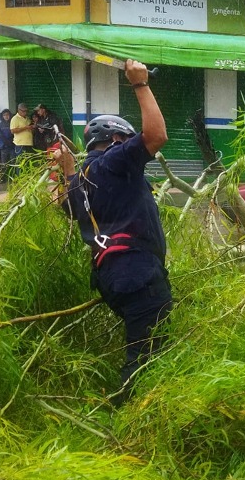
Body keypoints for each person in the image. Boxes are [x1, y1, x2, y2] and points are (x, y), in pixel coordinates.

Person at [55, 60, 171, 401]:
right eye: (126, 141)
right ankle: (125, 420)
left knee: (144, 345)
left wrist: (67, 172)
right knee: (146, 360)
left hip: (111, 279)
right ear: (118, 139)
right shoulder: (114, 161)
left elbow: (68, 208)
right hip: (137, 275)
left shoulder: (82, 180)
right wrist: (140, 84)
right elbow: (157, 136)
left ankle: (131, 405)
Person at [9, 102, 34, 174]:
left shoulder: (28, 119)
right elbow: (12, 131)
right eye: (23, 111)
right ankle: (19, 177)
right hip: (20, 144)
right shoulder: (15, 119)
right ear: (18, 110)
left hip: (29, 143)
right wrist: (25, 128)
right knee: (20, 162)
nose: (25, 112)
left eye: (26, 111)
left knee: (28, 162)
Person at [0, 108, 15, 180]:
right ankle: (4, 178)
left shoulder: (12, 122)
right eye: (4, 115)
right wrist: (6, 143)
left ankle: (12, 177)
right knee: (4, 163)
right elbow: (1, 135)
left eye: (7, 115)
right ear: (2, 116)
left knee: (13, 162)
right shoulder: (0, 124)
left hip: (12, 146)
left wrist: (10, 142)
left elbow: (13, 134)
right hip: (4, 146)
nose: (6, 116)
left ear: (10, 115)